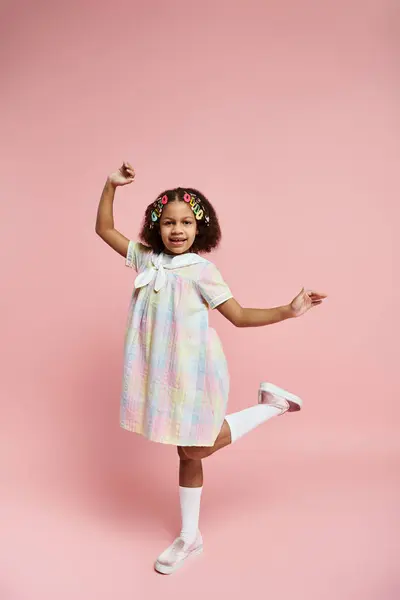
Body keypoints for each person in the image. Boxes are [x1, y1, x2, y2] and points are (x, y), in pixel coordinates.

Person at [95, 161, 327, 575]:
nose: (178, 229)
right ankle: (190, 535)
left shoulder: (203, 271)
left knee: (195, 447)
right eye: (168, 222)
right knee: (187, 453)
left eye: (186, 222)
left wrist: (289, 311)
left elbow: (238, 315)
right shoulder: (148, 260)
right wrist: (111, 185)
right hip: (162, 376)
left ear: (201, 228)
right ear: (156, 226)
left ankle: (272, 407)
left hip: (194, 374)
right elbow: (105, 229)